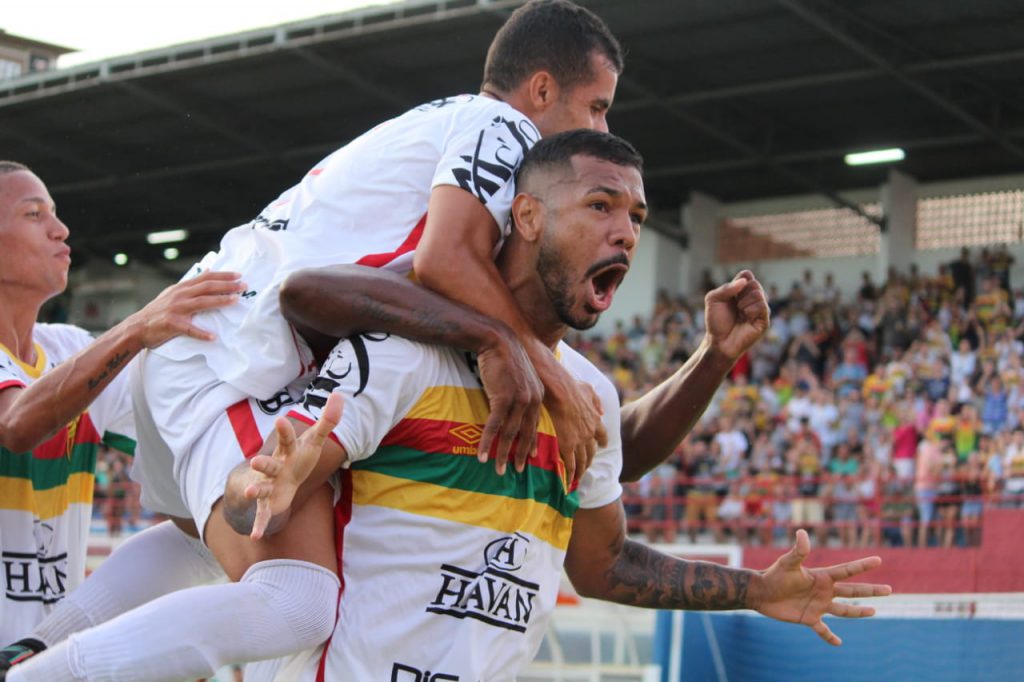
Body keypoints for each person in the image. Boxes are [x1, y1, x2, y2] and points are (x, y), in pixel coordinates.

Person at [220, 131, 889, 680]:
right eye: (601, 206)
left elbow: (604, 565)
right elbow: (255, 499)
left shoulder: (586, 395)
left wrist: (755, 590)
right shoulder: (404, 354)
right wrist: (260, 486)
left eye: (637, 216)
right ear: (529, 216)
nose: (626, 232)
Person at [0, 162, 242, 663]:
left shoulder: (67, 348)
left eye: (57, 213)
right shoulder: (76, 360)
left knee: (209, 528)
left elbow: (185, 442)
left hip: (33, 657)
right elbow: (16, 424)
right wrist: (137, 327)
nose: (60, 228)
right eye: (33, 213)